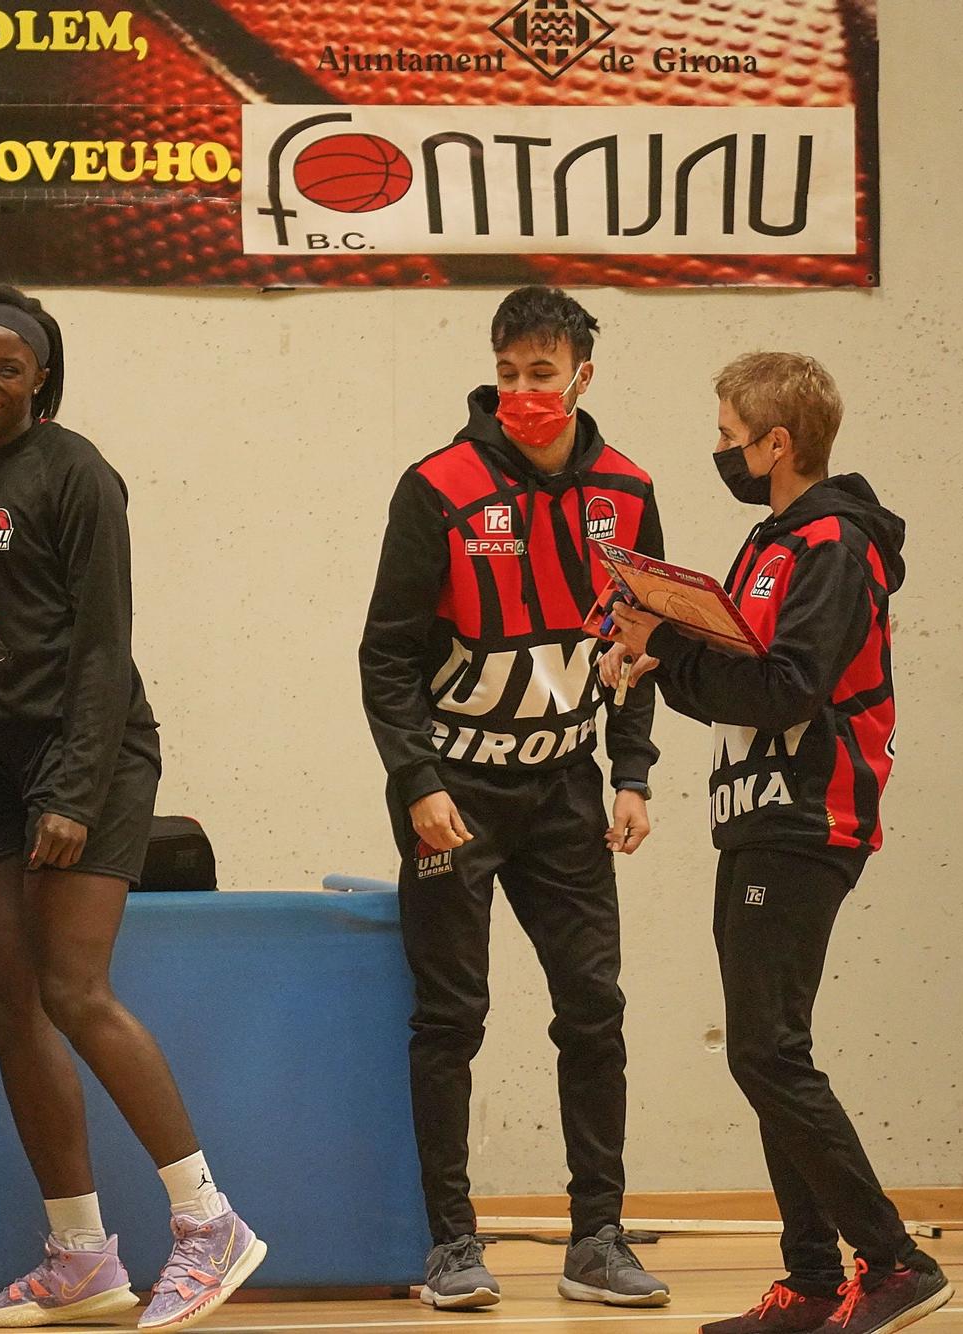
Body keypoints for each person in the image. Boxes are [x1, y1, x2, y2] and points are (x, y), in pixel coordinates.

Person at [0, 286, 264, 1332]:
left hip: (90, 751)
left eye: (8, 367)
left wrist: (70, 790)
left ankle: (206, 1221)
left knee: (72, 986)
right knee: (3, 999)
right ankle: (79, 1253)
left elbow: (105, 647)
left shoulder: (75, 473)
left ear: (42, 378)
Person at [604, 353, 952, 1334]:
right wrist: (653, 642)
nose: (716, 450)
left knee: (767, 1049)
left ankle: (890, 1259)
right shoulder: (767, 540)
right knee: (761, 1051)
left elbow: (787, 686)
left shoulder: (830, 543)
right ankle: (806, 1281)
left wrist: (669, 648)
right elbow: (732, 677)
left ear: (774, 441)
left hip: (810, 813)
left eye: (725, 435)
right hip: (754, 810)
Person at [357, 285, 670, 1312]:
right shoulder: (437, 485)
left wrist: (629, 771)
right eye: (509, 372)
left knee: (594, 1009)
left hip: (566, 792)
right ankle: (451, 1242)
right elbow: (385, 657)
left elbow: (639, 639)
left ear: (583, 374)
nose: (524, 392)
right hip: (457, 792)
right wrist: (416, 783)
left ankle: (597, 1237)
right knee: (450, 1016)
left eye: (543, 373)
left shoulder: (626, 489)